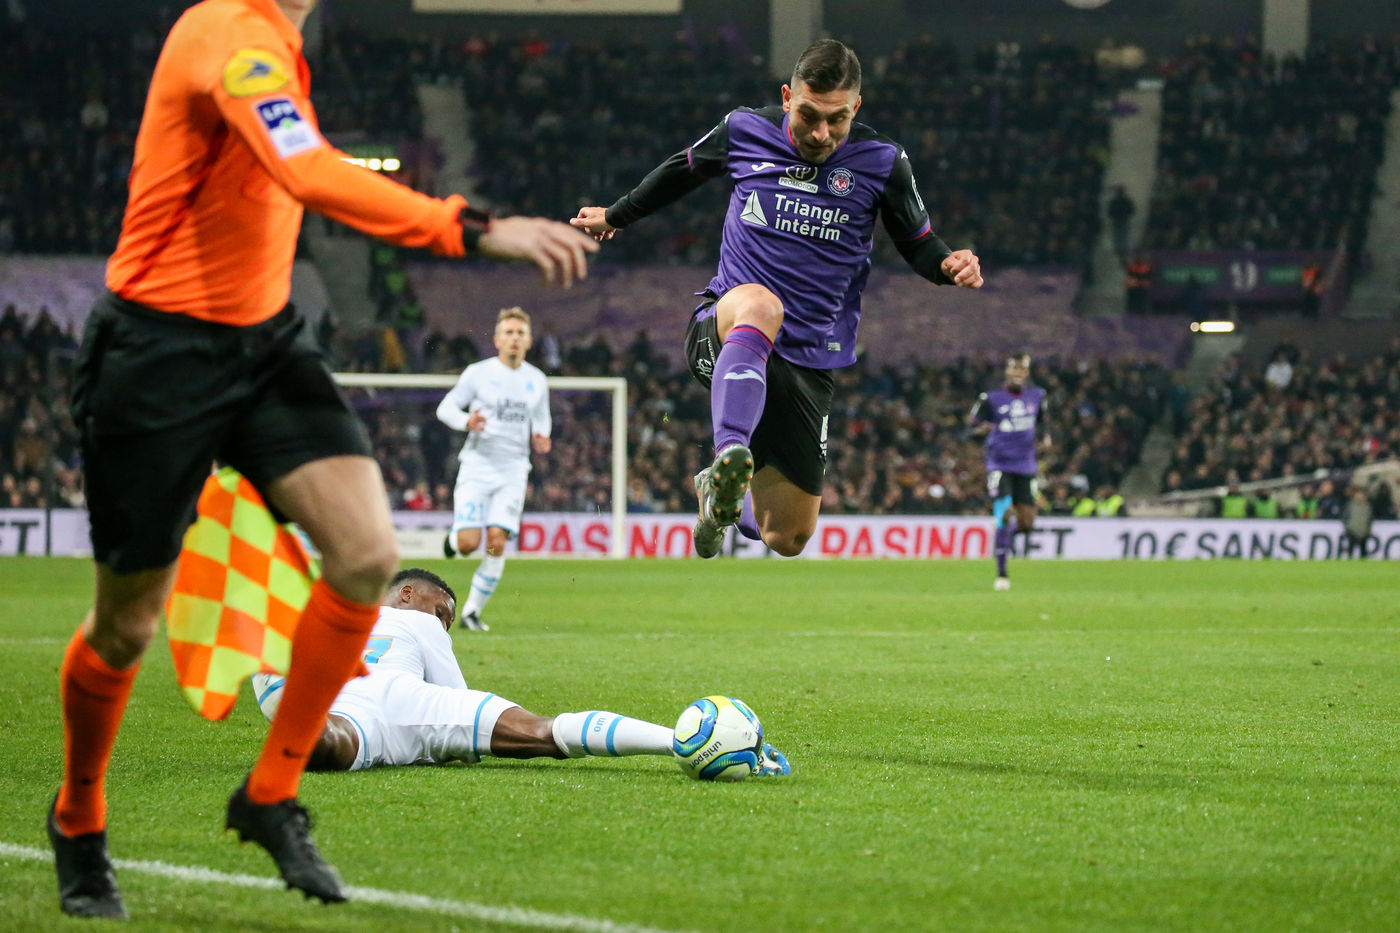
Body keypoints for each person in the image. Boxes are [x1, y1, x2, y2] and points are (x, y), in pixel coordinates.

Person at [47, 0, 597, 919]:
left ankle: (269, 795)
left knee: (366, 554)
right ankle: (78, 817)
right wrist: (473, 226)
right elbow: (303, 167)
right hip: (157, 349)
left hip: (261, 342)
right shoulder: (231, 33)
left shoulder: (283, 39)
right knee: (127, 626)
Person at [570, 39, 982, 560]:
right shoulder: (745, 129)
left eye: (836, 119)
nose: (821, 133)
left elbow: (919, 243)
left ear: (856, 107)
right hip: (729, 327)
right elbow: (682, 170)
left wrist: (948, 265)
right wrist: (616, 215)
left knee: (786, 537)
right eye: (809, 115)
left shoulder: (882, 162)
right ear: (788, 97)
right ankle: (727, 454)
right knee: (763, 306)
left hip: (809, 357)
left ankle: (719, 500)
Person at [251, 569, 790, 775]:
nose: (444, 621)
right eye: (443, 610)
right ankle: (679, 741)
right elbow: (455, 697)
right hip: (407, 699)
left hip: (337, 697)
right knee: (545, 731)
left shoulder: (339, 612)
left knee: (336, 742)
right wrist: (457, 741)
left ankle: (298, 718)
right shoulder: (418, 622)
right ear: (408, 593)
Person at [437, 308, 550, 631]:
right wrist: (466, 421)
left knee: (496, 540)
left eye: (520, 333)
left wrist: (542, 435)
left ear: (528, 341)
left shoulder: (537, 380)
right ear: (497, 340)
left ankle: (471, 612)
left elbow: (541, 417)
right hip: (478, 465)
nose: (514, 338)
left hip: (514, 469)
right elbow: (445, 408)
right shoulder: (478, 373)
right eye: (509, 333)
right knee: (469, 543)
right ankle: (454, 541)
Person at [967, 353, 1049, 591]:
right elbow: (971, 423)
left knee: (1027, 523)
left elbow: (1042, 421)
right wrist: (981, 429)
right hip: (1000, 465)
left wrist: (1046, 437)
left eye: (1022, 369)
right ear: (1007, 371)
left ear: (1027, 373)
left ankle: (1002, 535)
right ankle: (1002, 574)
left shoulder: (1038, 396)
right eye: (1014, 369)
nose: (1017, 373)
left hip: (1026, 465)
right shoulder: (990, 398)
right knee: (1004, 514)